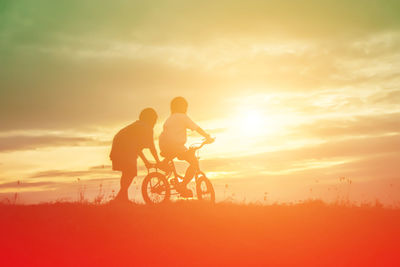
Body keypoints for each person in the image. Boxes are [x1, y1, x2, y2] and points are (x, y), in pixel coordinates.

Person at [159, 97, 213, 197]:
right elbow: (196, 128)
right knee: (194, 162)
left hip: (164, 146)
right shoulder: (182, 117)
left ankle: (164, 163)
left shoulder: (169, 119)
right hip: (176, 146)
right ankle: (182, 185)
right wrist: (207, 136)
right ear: (183, 107)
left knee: (178, 153)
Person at [110, 108, 161, 202]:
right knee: (130, 172)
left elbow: (136, 148)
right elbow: (152, 147)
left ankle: (122, 199)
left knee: (127, 173)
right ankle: (120, 198)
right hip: (124, 149)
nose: (155, 123)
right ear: (149, 119)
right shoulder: (146, 127)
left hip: (118, 148)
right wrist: (158, 162)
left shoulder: (136, 126)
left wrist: (146, 161)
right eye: (154, 120)